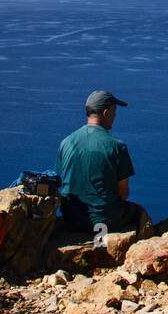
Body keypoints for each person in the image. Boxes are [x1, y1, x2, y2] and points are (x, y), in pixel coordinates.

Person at [55, 90, 150, 234]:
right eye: (114, 111)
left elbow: (62, 180)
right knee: (139, 212)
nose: (115, 116)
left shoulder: (66, 142)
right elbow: (123, 193)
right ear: (106, 113)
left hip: (72, 218)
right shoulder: (117, 146)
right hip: (105, 221)